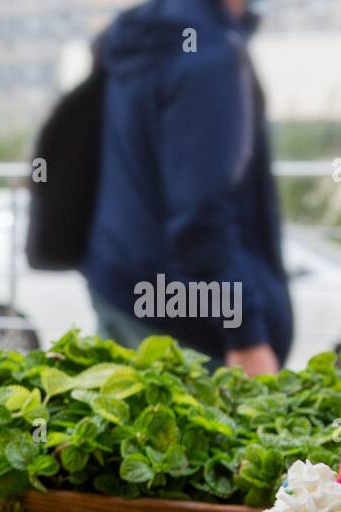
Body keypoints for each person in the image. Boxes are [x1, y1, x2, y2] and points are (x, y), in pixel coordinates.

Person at [83, 0, 292, 375]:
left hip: (124, 286)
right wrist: (246, 337)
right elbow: (201, 215)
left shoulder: (146, 35)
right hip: (188, 323)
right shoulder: (207, 54)